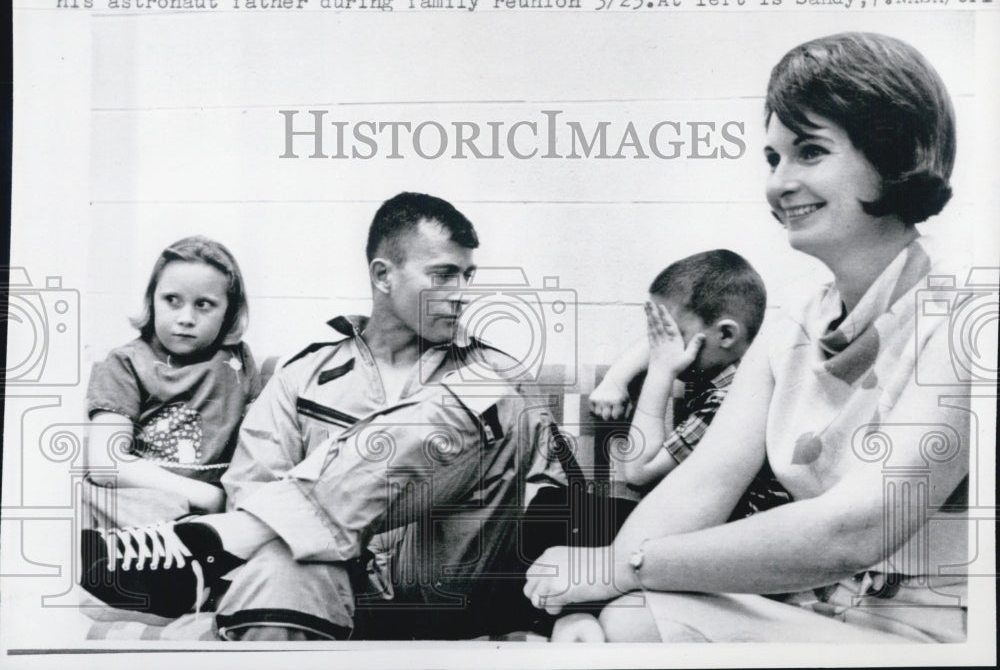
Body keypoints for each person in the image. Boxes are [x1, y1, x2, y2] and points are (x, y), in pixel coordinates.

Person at [525, 32, 972, 644]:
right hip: (805, 611)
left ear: (894, 155)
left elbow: (858, 530)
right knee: (620, 624)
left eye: (809, 152)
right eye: (772, 159)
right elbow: (699, 486)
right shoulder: (791, 324)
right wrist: (597, 592)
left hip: (933, 637)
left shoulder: (968, 317)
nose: (778, 184)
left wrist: (621, 569)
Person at [80, 192, 564, 639]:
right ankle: (247, 543)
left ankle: (215, 541)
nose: (461, 293)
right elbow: (253, 485)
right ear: (382, 275)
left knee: (486, 390)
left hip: (453, 586)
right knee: (277, 566)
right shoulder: (304, 376)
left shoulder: (498, 375)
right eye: (442, 275)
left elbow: (552, 501)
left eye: (467, 276)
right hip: (327, 585)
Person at [589, 251, 788, 520]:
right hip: (709, 520)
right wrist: (615, 379)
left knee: (550, 519)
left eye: (673, 334)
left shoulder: (729, 397)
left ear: (727, 334)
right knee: (553, 505)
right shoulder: (734, 364)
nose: (663, 345)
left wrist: (661, 369)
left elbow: (639, 472)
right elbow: (659, 342)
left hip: (736, 532)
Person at [82, 235, 260, 529]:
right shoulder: (126, 362)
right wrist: (205, 496)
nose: (186, 317)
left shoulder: (237, 358)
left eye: (204, 304)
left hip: (225, 506)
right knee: (105, 499)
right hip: (150, 498)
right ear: (152, 299)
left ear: (230, 311)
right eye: (172, 300)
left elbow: (259, 441)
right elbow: (105, 463)